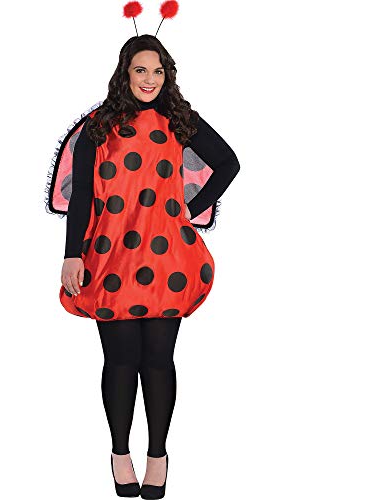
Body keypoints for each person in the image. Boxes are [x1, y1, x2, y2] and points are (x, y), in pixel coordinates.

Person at [57, 33, 240, 498]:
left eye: (158, 71)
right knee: (121, 360)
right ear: (125, 73)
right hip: (111, 255)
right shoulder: (98, 126)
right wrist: (72, 253)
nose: (149, 79)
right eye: (141, 70)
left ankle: (158, 454)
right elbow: (82, 195)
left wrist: (188, 208)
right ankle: (120, 453)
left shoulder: (179, 120)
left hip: (166, 257)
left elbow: (228, 163)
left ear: (167, 76)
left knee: (158, 360)